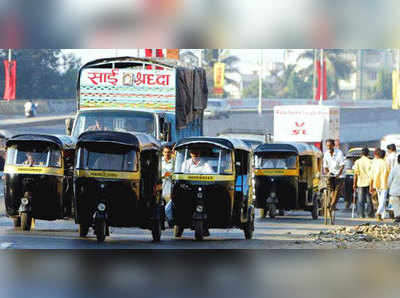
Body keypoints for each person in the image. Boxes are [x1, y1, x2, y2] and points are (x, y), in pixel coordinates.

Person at [323, 139, 345, 213]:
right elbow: (325, 166)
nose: (328, 147)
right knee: (329, 187)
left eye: (330, 145)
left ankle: (333, 204)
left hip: (339, 174)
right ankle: (329, 201)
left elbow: (342, 165)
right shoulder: (326, 154)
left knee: (337, 190)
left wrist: (338, 174)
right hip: (331, 174)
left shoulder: (339, 153)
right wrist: (327, 173)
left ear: (333, 145)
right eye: (327, 146)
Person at [370, 149, 390, 222]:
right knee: (383, 200)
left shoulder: (374, 163)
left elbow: (371, 176)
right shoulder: (386, 164)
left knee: (380, 199)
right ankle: (378, 213)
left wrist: (371, 186)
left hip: (376, 184)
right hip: (384, 184)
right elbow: (389, 175)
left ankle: (381, 215)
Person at [353, 147, 372, 218]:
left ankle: (361, 214)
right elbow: (372, 174)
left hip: (360, 183)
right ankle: (370, 214)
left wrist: (354, 184)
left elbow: (355, 174)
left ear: (361, 153)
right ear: (368, 153)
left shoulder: (357, 162)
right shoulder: (370, 161)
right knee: (369, 199)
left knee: (360, 199)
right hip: (369, 182)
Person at [161, 145, 174, 226]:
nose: (167, 154)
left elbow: (174, 172)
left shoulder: (174, 162)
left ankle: (170, 221)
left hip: (170, 186)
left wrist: (167, 174)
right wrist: (164, 174)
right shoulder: (160, 161)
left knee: (169, 204)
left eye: (168, 152)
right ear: (163, 153)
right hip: (161, 185)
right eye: (165, 152)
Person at [388, 154, 400, 223]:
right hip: (395, 190)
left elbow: (389, 180)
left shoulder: (394, 169)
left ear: (397, 161)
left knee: (395, 204)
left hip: (394, 191)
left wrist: (389, 187)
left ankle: (397, 216)